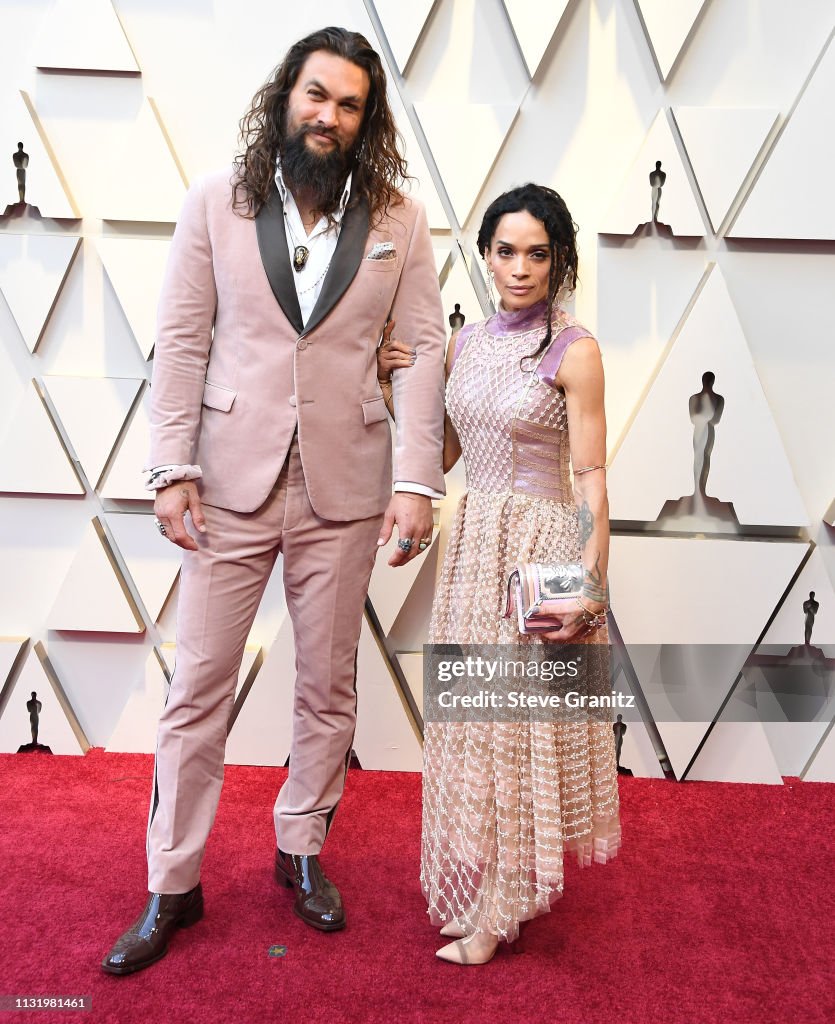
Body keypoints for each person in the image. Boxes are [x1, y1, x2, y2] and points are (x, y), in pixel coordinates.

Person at [101, 26, 446, 976]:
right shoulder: (217, 199)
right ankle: (172, 879)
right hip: (229, 482)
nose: (328, 115)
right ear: (284, 96)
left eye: (348, 104)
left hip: (346, 484)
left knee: (326, 686)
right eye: (315, 95)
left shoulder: (399, 220)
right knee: (197, 687)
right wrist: (170, 467)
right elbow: (180, 339)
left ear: (365, 121)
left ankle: (301, 850)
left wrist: (418, 482)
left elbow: (421, 354)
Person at [378, 183, 621, 965]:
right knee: (476, 724)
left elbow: (590, 479)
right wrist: (392, 384)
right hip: (473, 545)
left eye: (537, 254)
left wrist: (589, 587)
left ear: (559, 262)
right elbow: (444, 457)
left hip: (539, 550)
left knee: (520, 730)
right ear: (484, 255)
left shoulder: (573, 350)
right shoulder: (466, 342)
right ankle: (494, 889)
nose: (519, 268)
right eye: (505, 251)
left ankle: (501, 907)